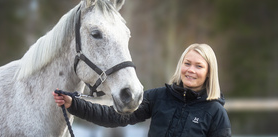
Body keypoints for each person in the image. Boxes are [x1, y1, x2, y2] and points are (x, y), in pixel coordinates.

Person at [52, 43, 231, 137]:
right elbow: (113, 116)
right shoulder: (160, 97)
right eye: (187, 63)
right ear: (180, 66)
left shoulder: (215, 112)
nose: (191, 70)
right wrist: (74, 104)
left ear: (208, 73)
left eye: (199, 66)